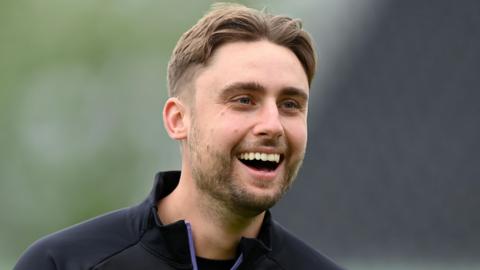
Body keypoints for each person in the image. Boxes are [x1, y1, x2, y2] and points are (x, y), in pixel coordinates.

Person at [14, 3, 343, 270]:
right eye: (244, 100)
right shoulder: (62, 264)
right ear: (178, 119)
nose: (272, 125)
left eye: (290, 104)